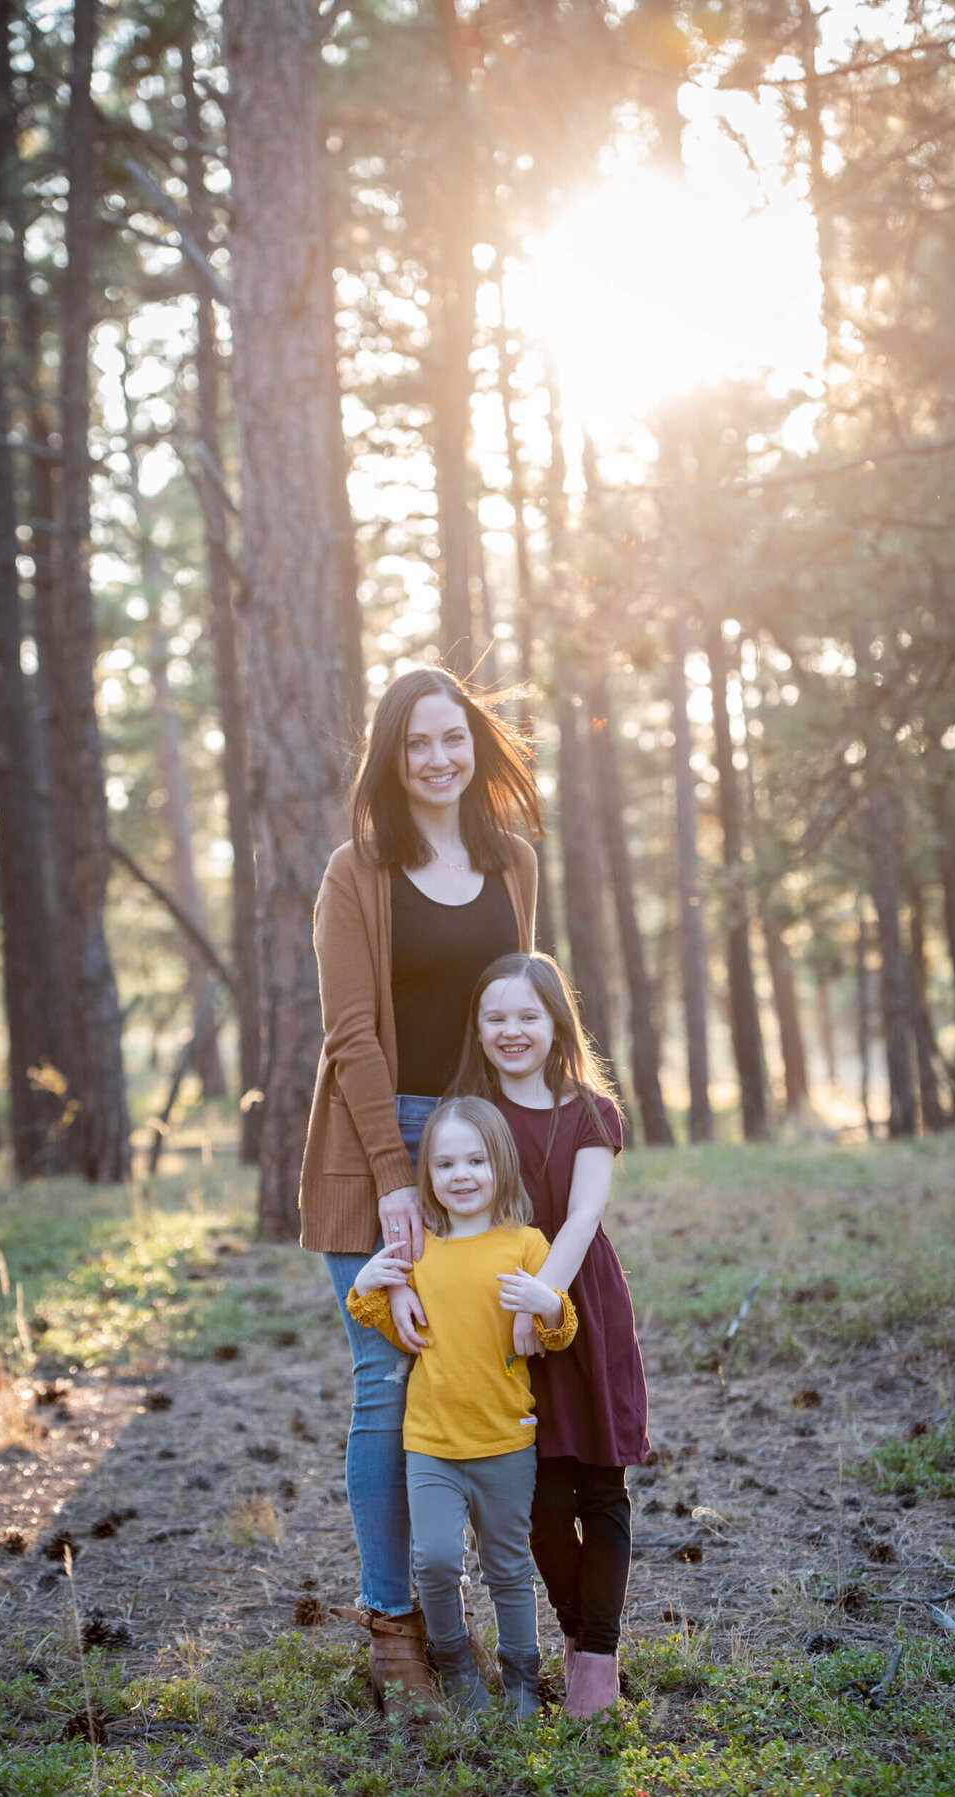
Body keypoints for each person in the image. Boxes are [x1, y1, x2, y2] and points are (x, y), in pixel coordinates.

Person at [299, 667, 542, 1714]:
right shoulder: (357, 874)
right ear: (391, 762)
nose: (438, 760)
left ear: (476, 746)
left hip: (478, 1149)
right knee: (388, 1383)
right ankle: (395, 1635)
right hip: (377, 1143)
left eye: (453, 740)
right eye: (416, 747)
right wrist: (395, 1180)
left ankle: (477, 1628)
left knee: (476, 1377)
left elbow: (520, 1009)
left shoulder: (514, 862)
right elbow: (351, 1034)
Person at [451, 951, 649, 1720]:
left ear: (555, 1022)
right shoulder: (469, 1108)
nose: (511, 1030)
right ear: (478, 1026)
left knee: (600, 1486)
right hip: (499, 1310)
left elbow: (582, 1214)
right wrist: (510, 1310)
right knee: (534, 1494)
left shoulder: (589, 1109)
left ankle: (597, 1656)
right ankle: (576, 1629)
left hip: (581, 1304)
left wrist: (546, 1298)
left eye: (527, 1015)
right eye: (495, 1016)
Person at [346, 1096, 577, 1717]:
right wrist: (368, 1289)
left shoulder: (526, 1245)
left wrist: (547, 1302)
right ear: (429, 1178)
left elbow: (560, 1332)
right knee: (436, 1559)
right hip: (431, 1442)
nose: (462, 1175)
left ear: (500, 1165)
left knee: (506, 1565)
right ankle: (456, 1667)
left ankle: (523, 1678)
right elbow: (403, 1333)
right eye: (445, 1164)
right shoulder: (422, 1251)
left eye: (476, 1160)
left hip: (506, 1440)